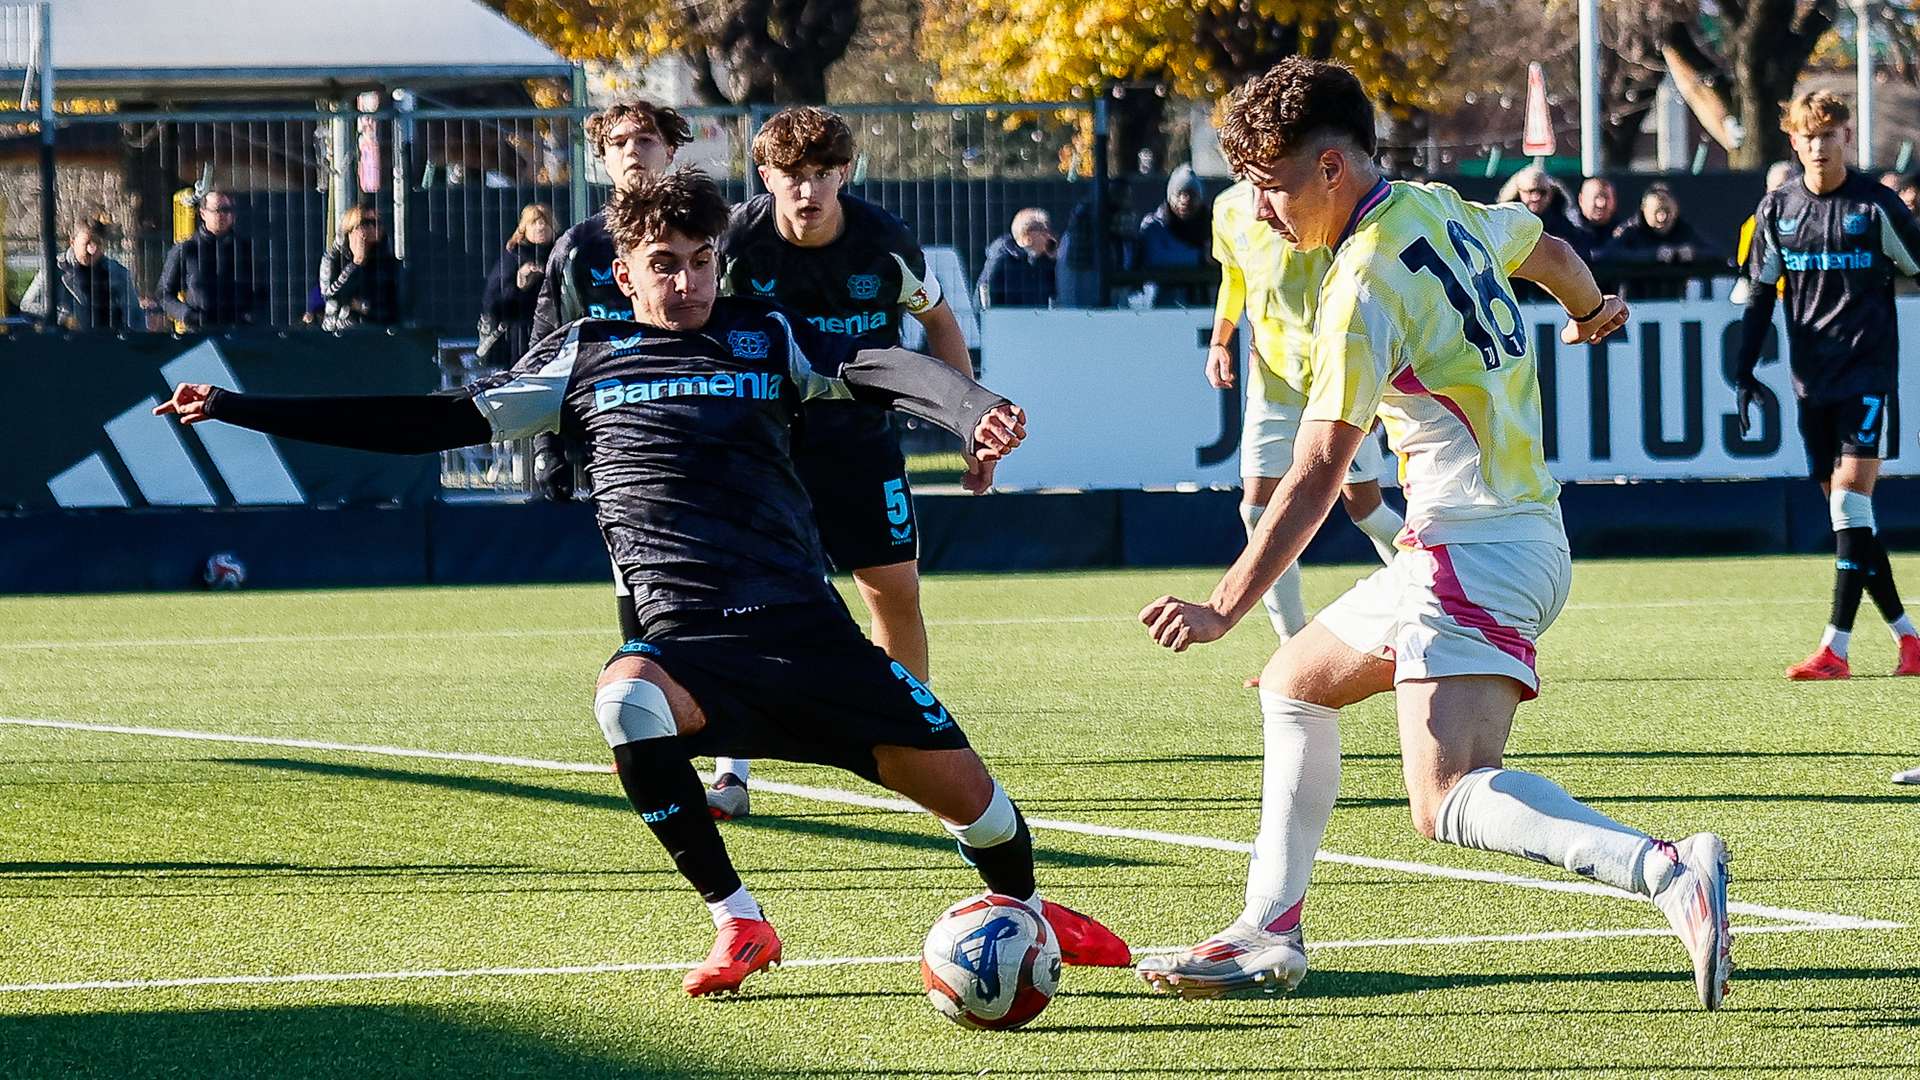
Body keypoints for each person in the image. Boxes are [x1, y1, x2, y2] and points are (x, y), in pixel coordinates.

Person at [153, 167, 1130, 998]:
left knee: (980, 809)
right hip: (690, 649)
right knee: (624, 700)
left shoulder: (766, 336)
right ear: (622, 274)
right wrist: (243, 405)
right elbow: (431, 420)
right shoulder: (581, 356)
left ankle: (1032, 915)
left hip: (808, 637)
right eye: (666, 263)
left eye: (703, 259)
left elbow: (881, 364)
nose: (690, 279)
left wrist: (969, 406)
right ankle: (740, 919)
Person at [1134, 58, 1731, 1010]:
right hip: (1488, 539)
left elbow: (1320, 470)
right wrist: (1588, 312)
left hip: (1475, 553)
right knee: (1295, 686)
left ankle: (1667, 871)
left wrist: (1221, 604)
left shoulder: (1360, 282)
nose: (1267, 212)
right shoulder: (1440, 207)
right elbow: (1550, 253)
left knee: (1447, 795)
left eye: (1277, 186)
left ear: (1332, 168)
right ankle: (1269, 931)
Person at [711, 106, 977, 820]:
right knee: (746, 597)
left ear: (846, 174)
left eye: (824, 174)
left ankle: (916, 743)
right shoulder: (734, 242)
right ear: (766, 177)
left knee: (893, 593)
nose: (809, 190)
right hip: (764, 447)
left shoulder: (882, 242)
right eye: (794, 175)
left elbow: (940, 325)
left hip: (859, 443)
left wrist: (968, 426)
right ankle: (732, 765)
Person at [1732, 90, 1920, 683]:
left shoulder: (1877, 206)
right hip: (1810, 380)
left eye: (1830, 134)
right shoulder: (1776, 210)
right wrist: (1743, 369)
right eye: (1808, 136)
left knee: (1849, 504)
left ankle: (1834, 649)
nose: (1819, 145)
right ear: (1794, 140)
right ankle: (1909, 640)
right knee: (1850, 520)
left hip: (1867, 373)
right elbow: (1762, 292)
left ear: (1846, 138)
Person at [1208, 175, 1403, 663]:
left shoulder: (1312, 195)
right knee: (1257, 511)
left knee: (1367, 510)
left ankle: (1437, 597)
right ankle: (1291, 648)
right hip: (1272, 383)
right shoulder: (1229, 209)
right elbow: (1234, 277)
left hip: (1334, 377)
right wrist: (1220, 340)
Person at [530, 99, 694, 502]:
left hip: (698, 430)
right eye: (618, 143)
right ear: (603, 159)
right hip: (613, 436)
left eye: (645, 139)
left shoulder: (704, 234)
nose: (632, 151)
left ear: (670, 150)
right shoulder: (578, 249)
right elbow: (547, 349)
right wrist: (545, 446)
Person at [156, 190, 266, 329]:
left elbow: (261, 291)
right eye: (217, 210)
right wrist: (187, 315)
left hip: (239, 334)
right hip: (200, 334)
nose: (223, 215)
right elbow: (163, 293)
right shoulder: (186, 249)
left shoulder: (245, 250)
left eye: (227, 210)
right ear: (203, 213)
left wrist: (250, 316)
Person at [1596, 183, 1722, 299]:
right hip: (1635, 305)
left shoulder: (1683, 230)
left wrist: (1693, 254)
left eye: (1667, 211)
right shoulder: (1631, 231)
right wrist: (1653, 255)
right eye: (1656, 212)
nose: (1662, 218)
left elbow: (1716, 253)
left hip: (1675, 304)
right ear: (1644, 209)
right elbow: (1606, 255)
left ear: (1676, 209)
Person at [20, 218, 142, 330]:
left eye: (98, 243)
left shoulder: (117, 273)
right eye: (87, 243)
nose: (92, 249)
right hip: (68, 345)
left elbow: (135, 316)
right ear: (72, 242)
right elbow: (27, 305)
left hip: (109, 344)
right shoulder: (54, 270)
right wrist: (63, 319)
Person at [479, 204, 558, 367]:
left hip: (557, 332)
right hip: (521, 337)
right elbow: (492, 303)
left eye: (545, 222)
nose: (541, 227)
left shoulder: (561, 253)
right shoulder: (513, 257)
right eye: (534, 222)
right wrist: (519, 284)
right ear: (523, 229)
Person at [1497, 166, 1589, 297]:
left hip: (1554, 297)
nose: (1536, 197)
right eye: (1530, 191)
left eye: (1542, 192)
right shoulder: (1503, 223)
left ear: (1551, 194)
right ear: (1518, 192)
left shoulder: (1565, 224)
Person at [1135, 164, 1213, 305]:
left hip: (1203, 305)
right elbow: (1156, 258)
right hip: (1163, 307)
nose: (1185, 200)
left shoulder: (1211, 225)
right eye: (1180, 194)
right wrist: (1202, 257)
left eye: (1192, 194)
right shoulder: (1154, 225)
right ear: (1170, 197)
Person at [318, 206, 403, 331]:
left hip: (376, 329)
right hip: (339, 328)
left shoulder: (386, 262)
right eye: (366, 223)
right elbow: (331, 296)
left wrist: (364, 306)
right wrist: (357, 262)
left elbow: (392, 305)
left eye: (377, 223)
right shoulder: (333, 258)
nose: (374, 228)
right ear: (352, 227)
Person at [1730, 162, 1795, 306]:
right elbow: (1748, 268)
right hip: (1770, 299)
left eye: (1790, 186)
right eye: (1779, 187)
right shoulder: (1753, 224)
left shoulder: (1813, 220)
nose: (1784, 193)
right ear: (1768, 190)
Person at [977, 207, 1057, 308]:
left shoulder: (1044, 263)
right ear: (1027, 235)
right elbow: (984, 296)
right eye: (1042, 229)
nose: (1048, 235)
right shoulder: (1002, 261)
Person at [1568, 177, 1620, 256]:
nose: (1601, 204)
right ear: (1581, 200)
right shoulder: (1565, 231)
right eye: (1596, 197)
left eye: (1607, 198)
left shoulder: (1624, 233)